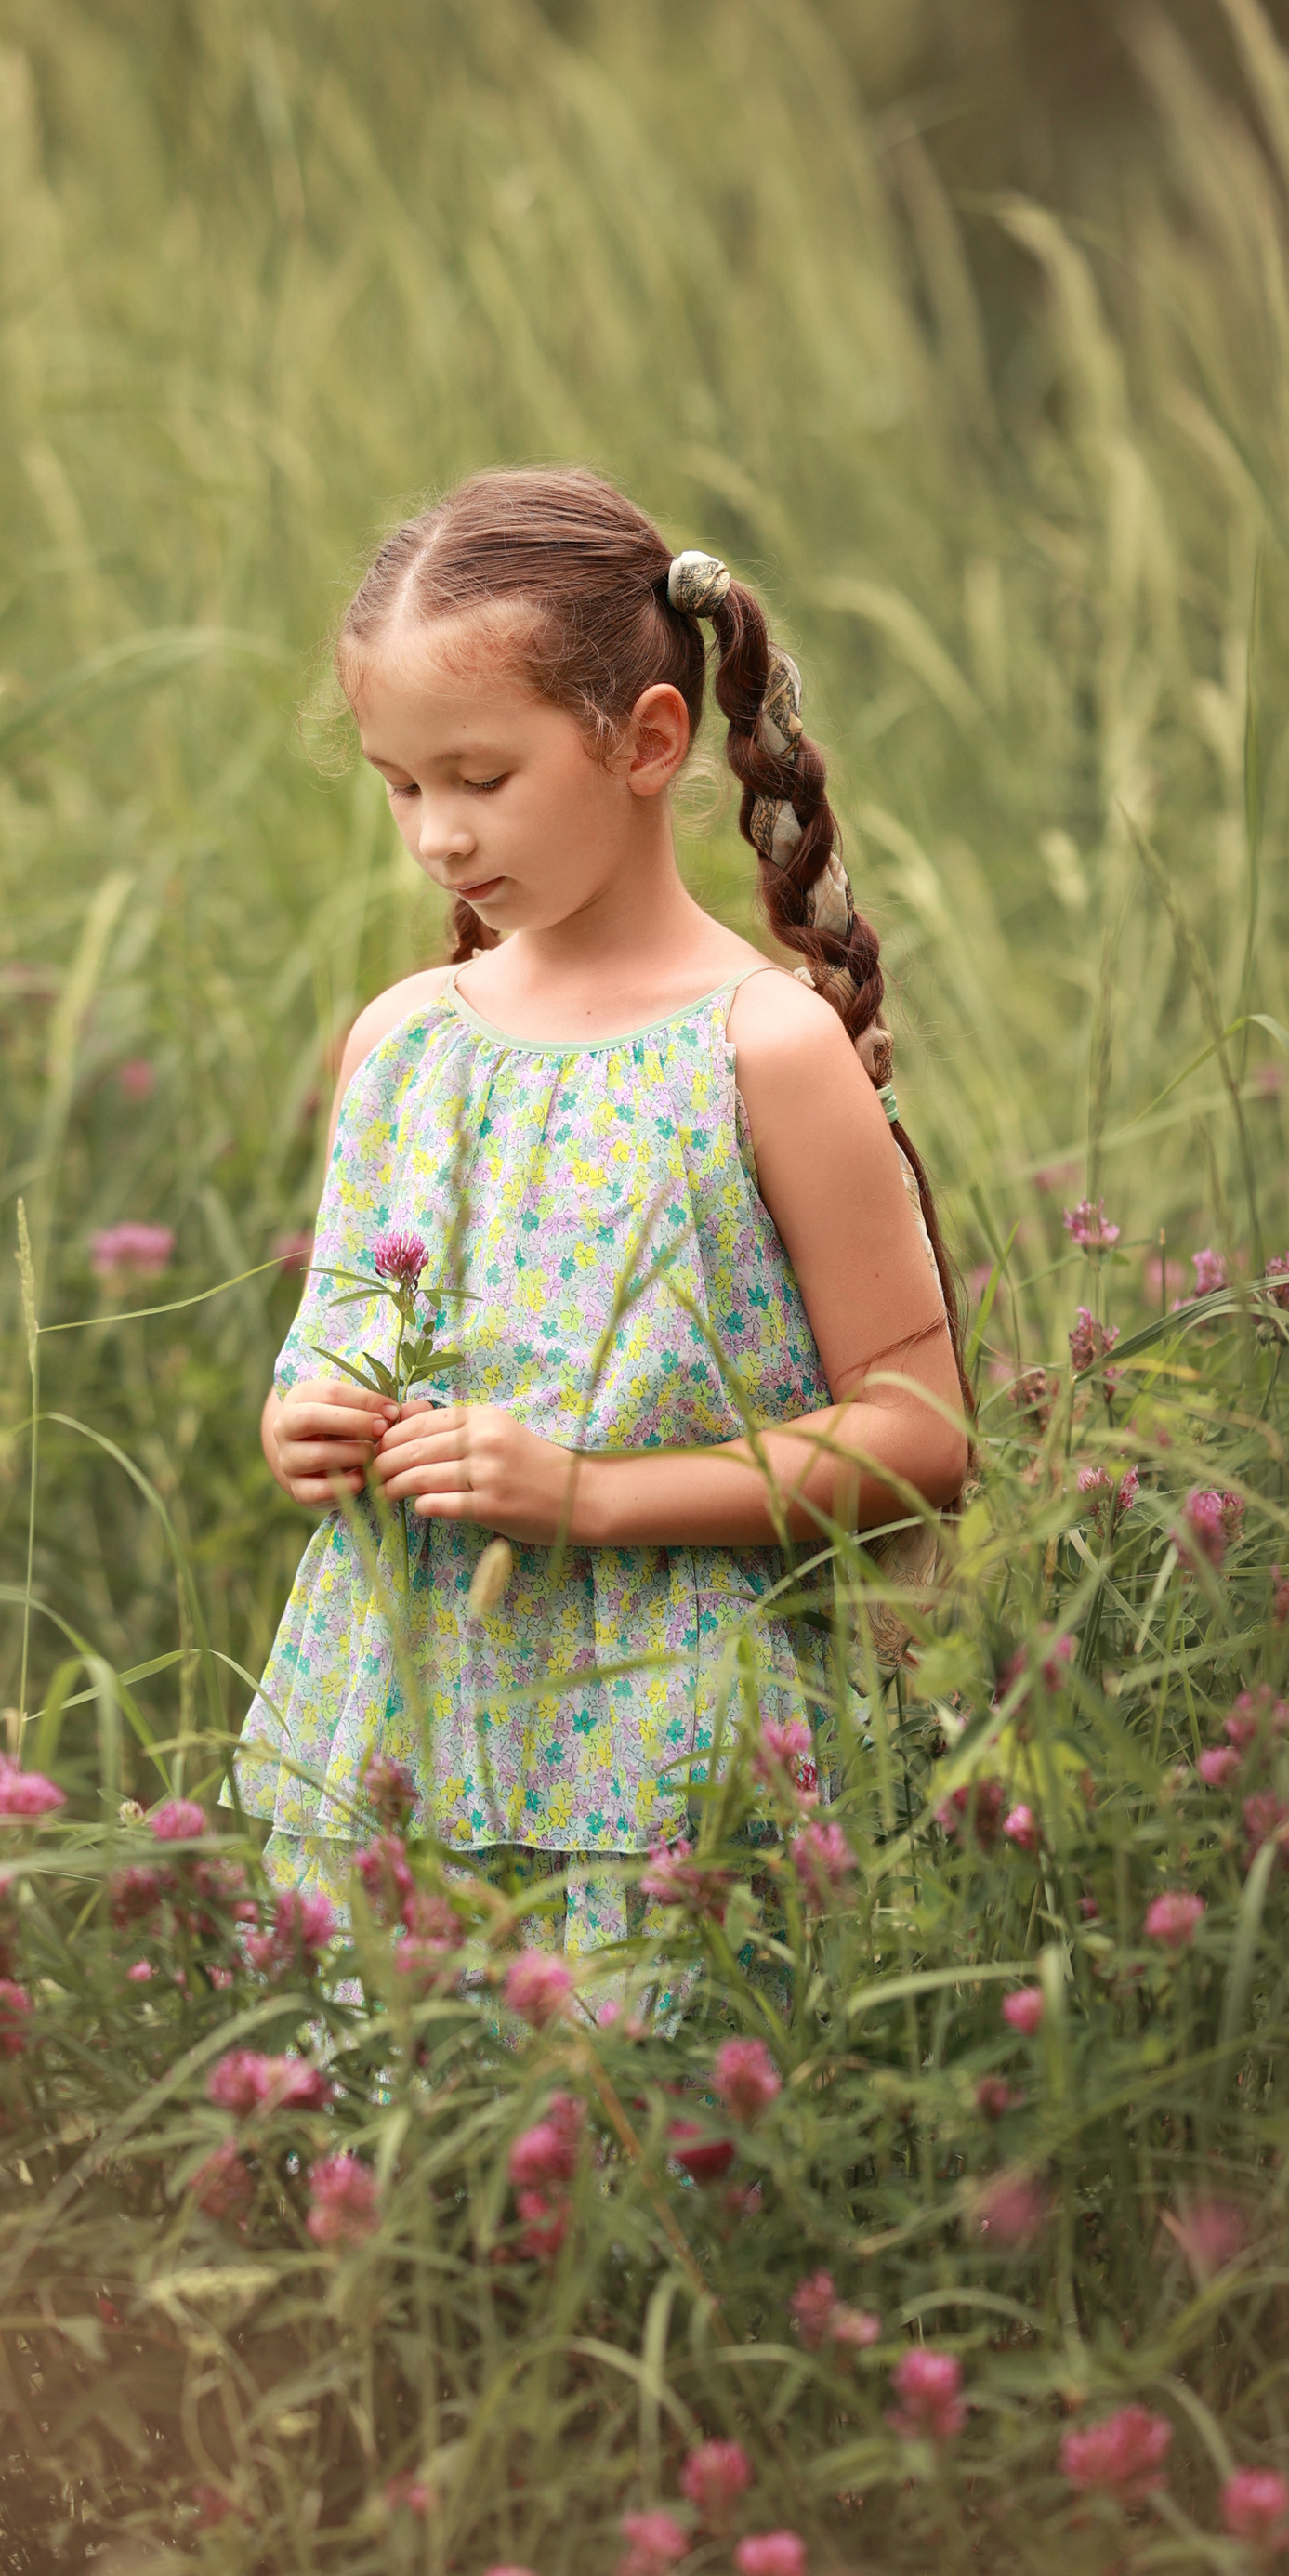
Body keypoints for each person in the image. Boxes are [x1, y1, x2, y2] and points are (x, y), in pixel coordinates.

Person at [232, 467, 969, 1948]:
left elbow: (919, 1437)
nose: (438, 836)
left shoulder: (761, 1050)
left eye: (481, 778)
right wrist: (303, 1429)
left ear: (647, 741)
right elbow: (334, 1357)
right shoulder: (404, 1044)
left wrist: (588, 1497)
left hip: (670, 1764)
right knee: (389, 2096)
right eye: (403, 786)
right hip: (396, 1736)